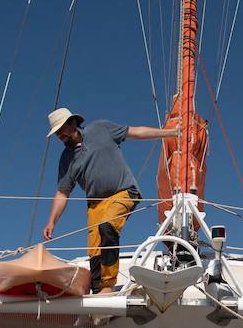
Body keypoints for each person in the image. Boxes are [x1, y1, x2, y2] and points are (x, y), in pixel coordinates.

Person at [42, 108, 177, 293]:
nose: (59, 135)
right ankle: (98, 293)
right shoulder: (66, 159)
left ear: (72, 123)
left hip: (123, 192)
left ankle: (108, 285)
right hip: (95, 204)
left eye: (61, 129)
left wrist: (170, 133)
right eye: (56, 132)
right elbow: (62, 193)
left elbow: (135, 132)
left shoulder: (100, 128)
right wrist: (51, 221)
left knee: (107, 226)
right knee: (95, 251)